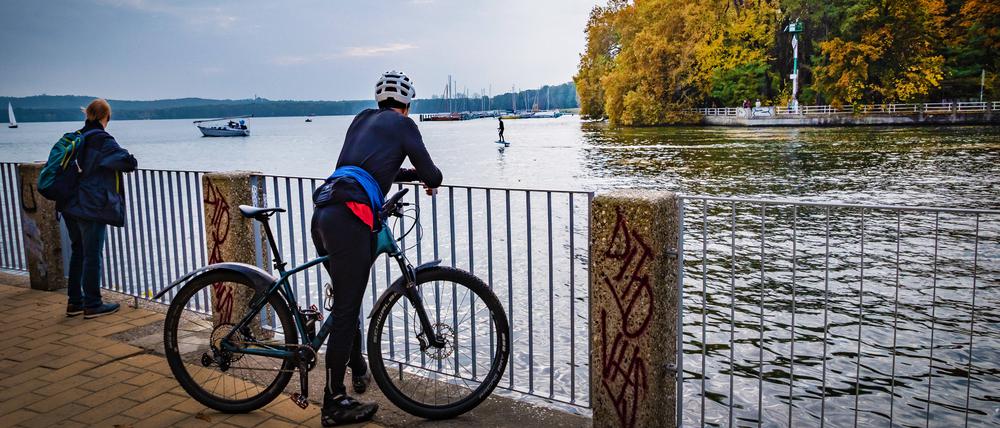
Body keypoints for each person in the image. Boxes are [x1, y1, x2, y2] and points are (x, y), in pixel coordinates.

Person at [311, 70, 442, 426]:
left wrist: (407, 177)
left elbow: (372, 169)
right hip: (350, 217)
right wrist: (428, 180)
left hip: (325, 212)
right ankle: (333, 402)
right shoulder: (404, 126)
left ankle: (357, 368)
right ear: (407, 103)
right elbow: (432, 174)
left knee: (346, 297)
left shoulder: (361, 119)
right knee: (345, 308)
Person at [61, 99, 138, 318]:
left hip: (69, 203)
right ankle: (93, 304)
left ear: (87, 115)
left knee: (79, 251)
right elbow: (128, 162)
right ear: (107, 117)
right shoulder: (102, 139)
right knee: (92, 254)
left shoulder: (76, 136)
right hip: (90, 205)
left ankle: (75, 302)